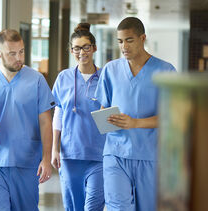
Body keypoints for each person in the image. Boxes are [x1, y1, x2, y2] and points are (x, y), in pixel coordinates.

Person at [95, 17, 176, 211]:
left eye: (129, 40)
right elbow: (103, 108)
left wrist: (135, 123)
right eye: (120, 41)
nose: (124, 47)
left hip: (150, 156)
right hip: (115, 153)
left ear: (142, 38)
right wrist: (105, 117)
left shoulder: (165, 71)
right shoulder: (111, 70)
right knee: (118, 207)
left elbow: (171, 117)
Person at [0, 29, 55, 211]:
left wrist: (47, 159)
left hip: (26, 161)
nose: (19, 57)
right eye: (12, 53)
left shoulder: (37, 80)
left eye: (21, 52)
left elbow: (46, 122)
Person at [51, 23, 105, 211]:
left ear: (94, 48)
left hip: (99, 155)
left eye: (86, 47)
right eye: (76, 48)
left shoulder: (105, 78)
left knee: (93, 207)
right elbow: (58, 113)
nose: (81, 52)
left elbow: (112, 117)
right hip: (70, 155)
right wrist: (54, 149)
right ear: (71, 50)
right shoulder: (63, 78)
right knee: (73, 207)